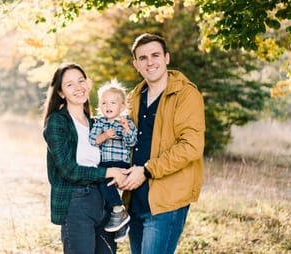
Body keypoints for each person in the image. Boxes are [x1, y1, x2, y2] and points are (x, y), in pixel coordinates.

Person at [118, 33, 205, 254]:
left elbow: (191, 146)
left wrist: (147, 170)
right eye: (143, 58)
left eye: (155, 55)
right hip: (134, 199)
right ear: (136, 64)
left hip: (167, 201)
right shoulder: (134, 98)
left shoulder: (186, 94)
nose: (150, 62)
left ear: (166, 57)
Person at [42, 62, 126, 254]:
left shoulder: (97, 123)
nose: (78, 87)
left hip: (103, 200)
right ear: (61, 93)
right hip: (76, 202)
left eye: (81, 81)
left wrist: (122, 172)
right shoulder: (57, 122)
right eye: (70, 84)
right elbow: (68, 170)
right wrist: (108, 172)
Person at [89, 79, 138, 241]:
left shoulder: (126, 121)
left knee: (106, 184)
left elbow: (132, 142)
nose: (107, 106)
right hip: (105, 163)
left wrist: (126, 129)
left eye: (112, 103)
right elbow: (92, 140)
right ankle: (121, 225)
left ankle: (119, 209)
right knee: (104, 186)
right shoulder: (99, 122)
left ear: (122, 107)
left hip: (120, 163)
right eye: (104, 103)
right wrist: (105, 136)